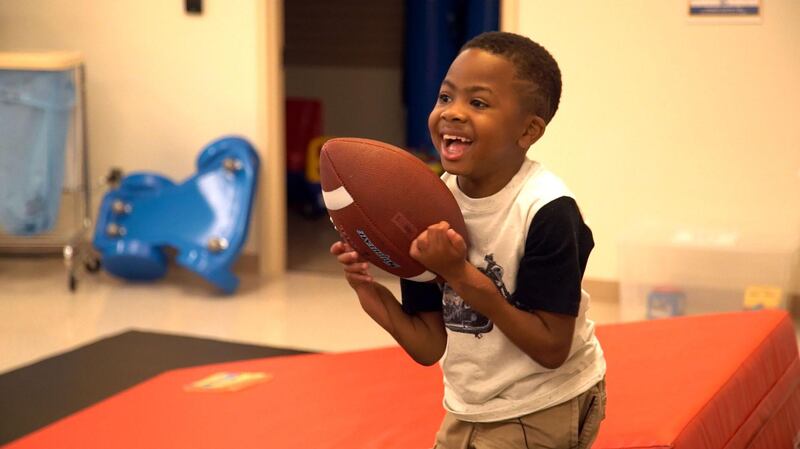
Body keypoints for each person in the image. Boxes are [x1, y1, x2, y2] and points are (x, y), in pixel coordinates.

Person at [330, 31, 606, 449]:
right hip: (470, 405)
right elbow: (428, 345)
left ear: (528, 131)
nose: (452, 113)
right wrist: (370, 294)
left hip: (544, 402)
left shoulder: (547, 211)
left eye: (477, 103)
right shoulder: (425, 204)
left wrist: (458, 273)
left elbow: (551, 348)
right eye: (445, 97)